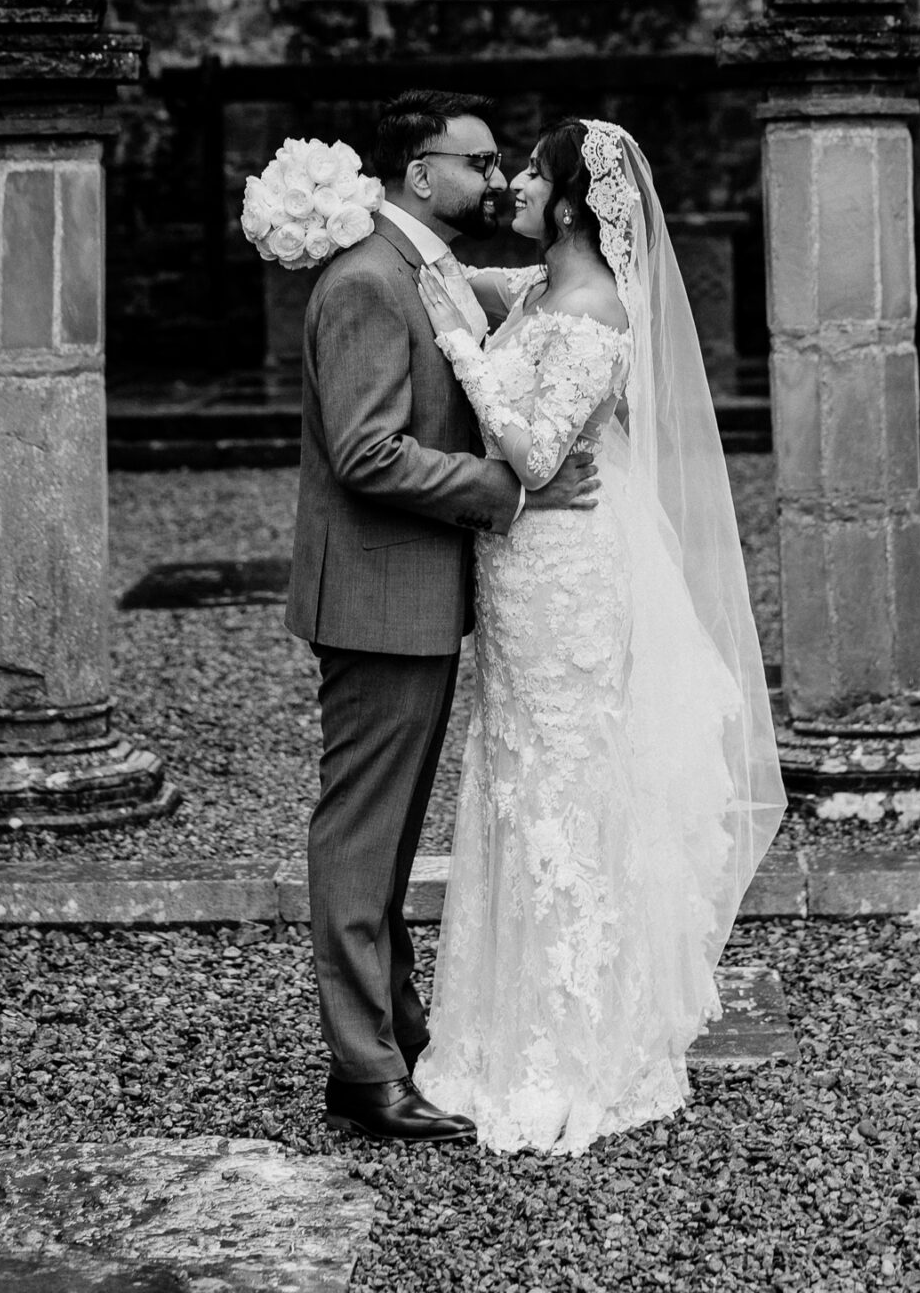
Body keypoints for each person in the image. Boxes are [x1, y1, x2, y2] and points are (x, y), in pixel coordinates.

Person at [413, 116, 784, 1155]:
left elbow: (534, 456)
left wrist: (458, 349)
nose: (514, 184)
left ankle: (570, 1045)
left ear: (572, 199)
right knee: (513, 773)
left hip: (565, 569)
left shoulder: (595, 311)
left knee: (564, 781)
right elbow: (482, 284)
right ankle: (494, 1027)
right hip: (521, 567)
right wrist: (435, 269)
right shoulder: (538, 290)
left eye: (530, 172)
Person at [286, 89, 602, 1147]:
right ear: (423, 174)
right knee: (361, 835)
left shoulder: (420, 263)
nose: (500, 174)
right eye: (480, 159)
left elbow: (494, 308)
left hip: (416, 597)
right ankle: (364, 1071)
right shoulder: (369, 279)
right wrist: (505, 492)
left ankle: (399, 1031)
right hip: (379, 600)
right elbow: (367, 450)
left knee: (389, 838)